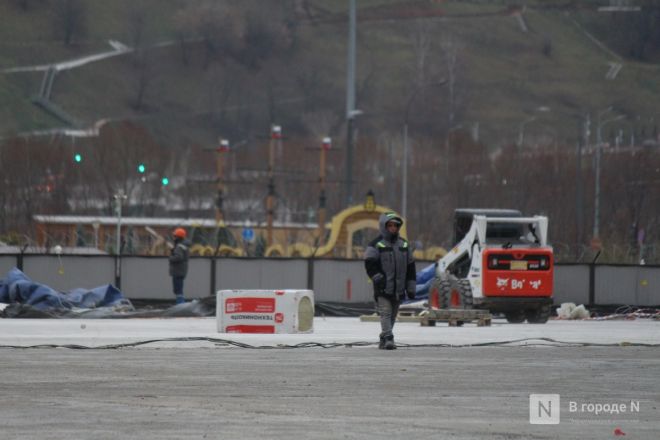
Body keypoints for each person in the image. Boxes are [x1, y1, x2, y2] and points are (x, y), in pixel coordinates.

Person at [364, 212, 416, 350]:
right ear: (384, 226)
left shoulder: (404, 244)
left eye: (395, 225)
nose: (393, 228)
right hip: (383, 287)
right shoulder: (375, 244)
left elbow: (411, 267)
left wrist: (411, 287)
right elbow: (369, 264)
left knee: (392, 315)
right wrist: (377, 278)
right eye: (390, 225)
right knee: (385, 313)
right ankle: (389, 338)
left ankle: (384, 338)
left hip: (399, 288)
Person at [169, 227, 190, 304]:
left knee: (177, 289)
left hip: (177, 271)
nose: (173, 238)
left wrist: (171, 257)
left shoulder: (179, 246)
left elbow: (178, 257)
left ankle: (180, 304)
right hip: (181, 270)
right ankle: (180, 303)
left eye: (175, 236)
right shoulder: (184, 246)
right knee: (179, 288)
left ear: (178, 237)